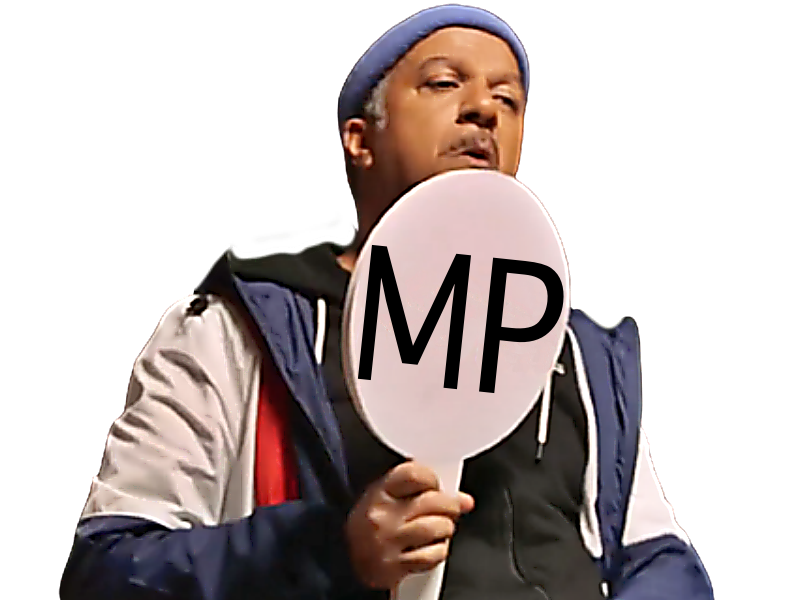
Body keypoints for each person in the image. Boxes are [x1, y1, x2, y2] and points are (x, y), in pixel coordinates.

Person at [59, 5, 713, 600]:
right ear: (360, 139)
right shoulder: (235, 333)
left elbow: (660, 556)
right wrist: (332, 550)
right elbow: (108, 569)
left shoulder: (574, 352)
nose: (484, 110)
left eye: (508, 99)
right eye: (444, 83)